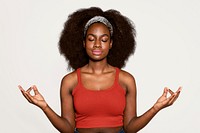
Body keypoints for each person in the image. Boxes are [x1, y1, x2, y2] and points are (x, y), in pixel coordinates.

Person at [18, 7, 182, 133]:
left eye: (104, 39)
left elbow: (130, 128)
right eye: (91, 39)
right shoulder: (70, 81)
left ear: (111, 44)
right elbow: (68, 129)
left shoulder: (126, 80)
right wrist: (44, 106)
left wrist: (156, 108)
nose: (97, 44)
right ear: (83, 43)